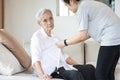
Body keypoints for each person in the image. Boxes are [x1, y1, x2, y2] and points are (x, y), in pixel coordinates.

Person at [56, 0, 120, 80]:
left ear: (71, 1)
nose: (68, 8)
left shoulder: (82, 8)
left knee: (100, 74)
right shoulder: (88, 4)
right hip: (117, 38)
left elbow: (82, 36)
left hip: (111, 38)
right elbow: (86, 34)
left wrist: (64, 42)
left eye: (66, 5)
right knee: (108, 73)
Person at [30, 8, 95, 80]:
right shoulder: (37, 37)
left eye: (51, 18)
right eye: (45, 20)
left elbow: (64, 56)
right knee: (75, 74)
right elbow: (36, 58)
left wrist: (80, 66)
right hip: (51, 70)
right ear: (39, 23)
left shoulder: (55, 37)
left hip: (63, 66)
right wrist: (42, 75)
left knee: (89, 68)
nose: (49, 22)